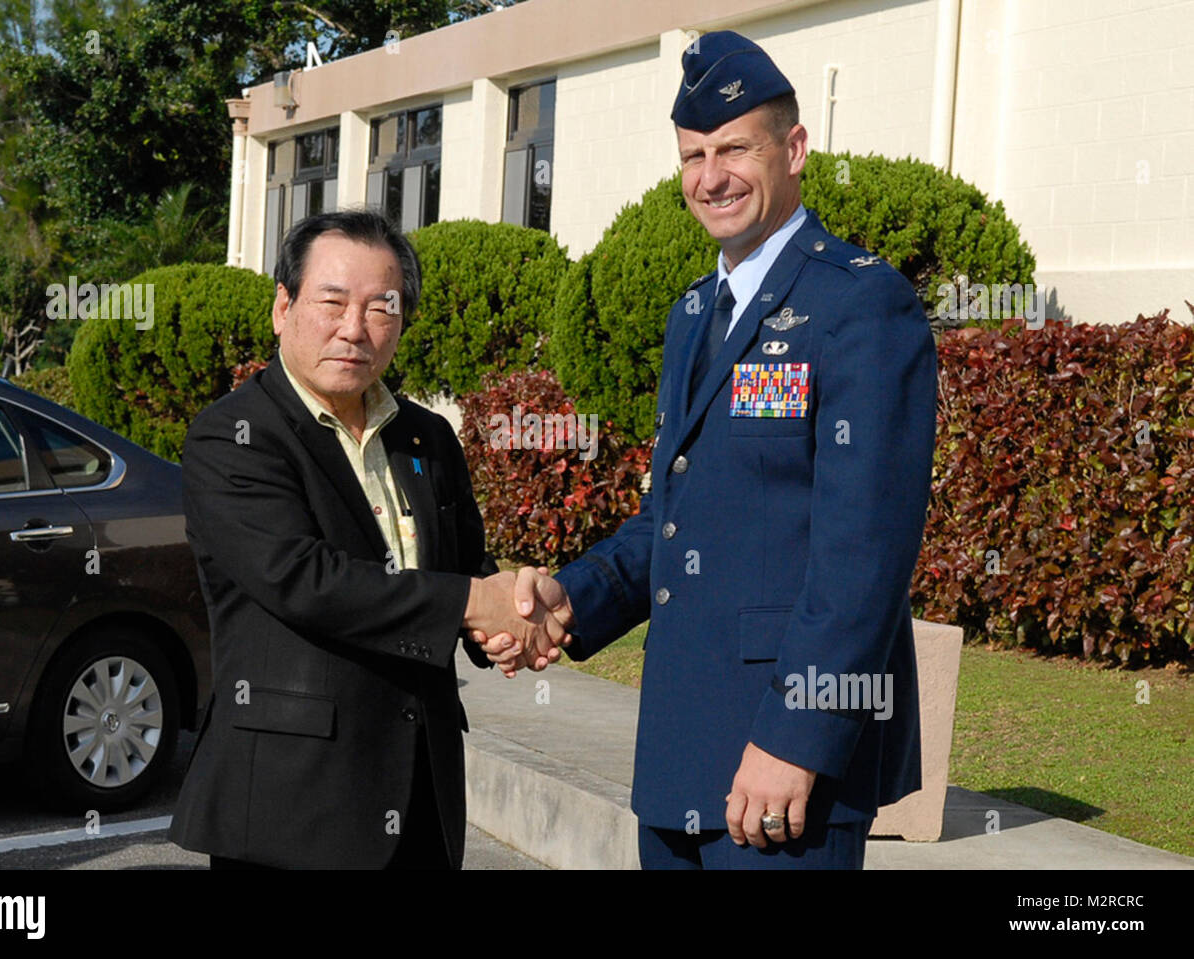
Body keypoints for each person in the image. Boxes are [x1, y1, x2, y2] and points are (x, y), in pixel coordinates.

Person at [487, 31, 937, 869]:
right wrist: (568, 599)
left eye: (734, 148)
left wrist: (796, 739)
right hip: (679, 747)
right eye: (693, 155)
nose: (711, 177)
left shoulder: (861, 304)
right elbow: (673, 517)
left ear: (794, 149)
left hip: (782, 766)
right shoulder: (695, 313)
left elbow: (864, 553)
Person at [167, 209, 567, 869]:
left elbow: (467, 566)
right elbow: (306, 580)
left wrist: (506, 620)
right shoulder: (234, 436)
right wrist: (472, 602)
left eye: (381, 307)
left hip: (419, 791)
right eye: (331, 302)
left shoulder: (427, 437)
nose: (354, 328)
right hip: (290, 805)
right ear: (282, 308)